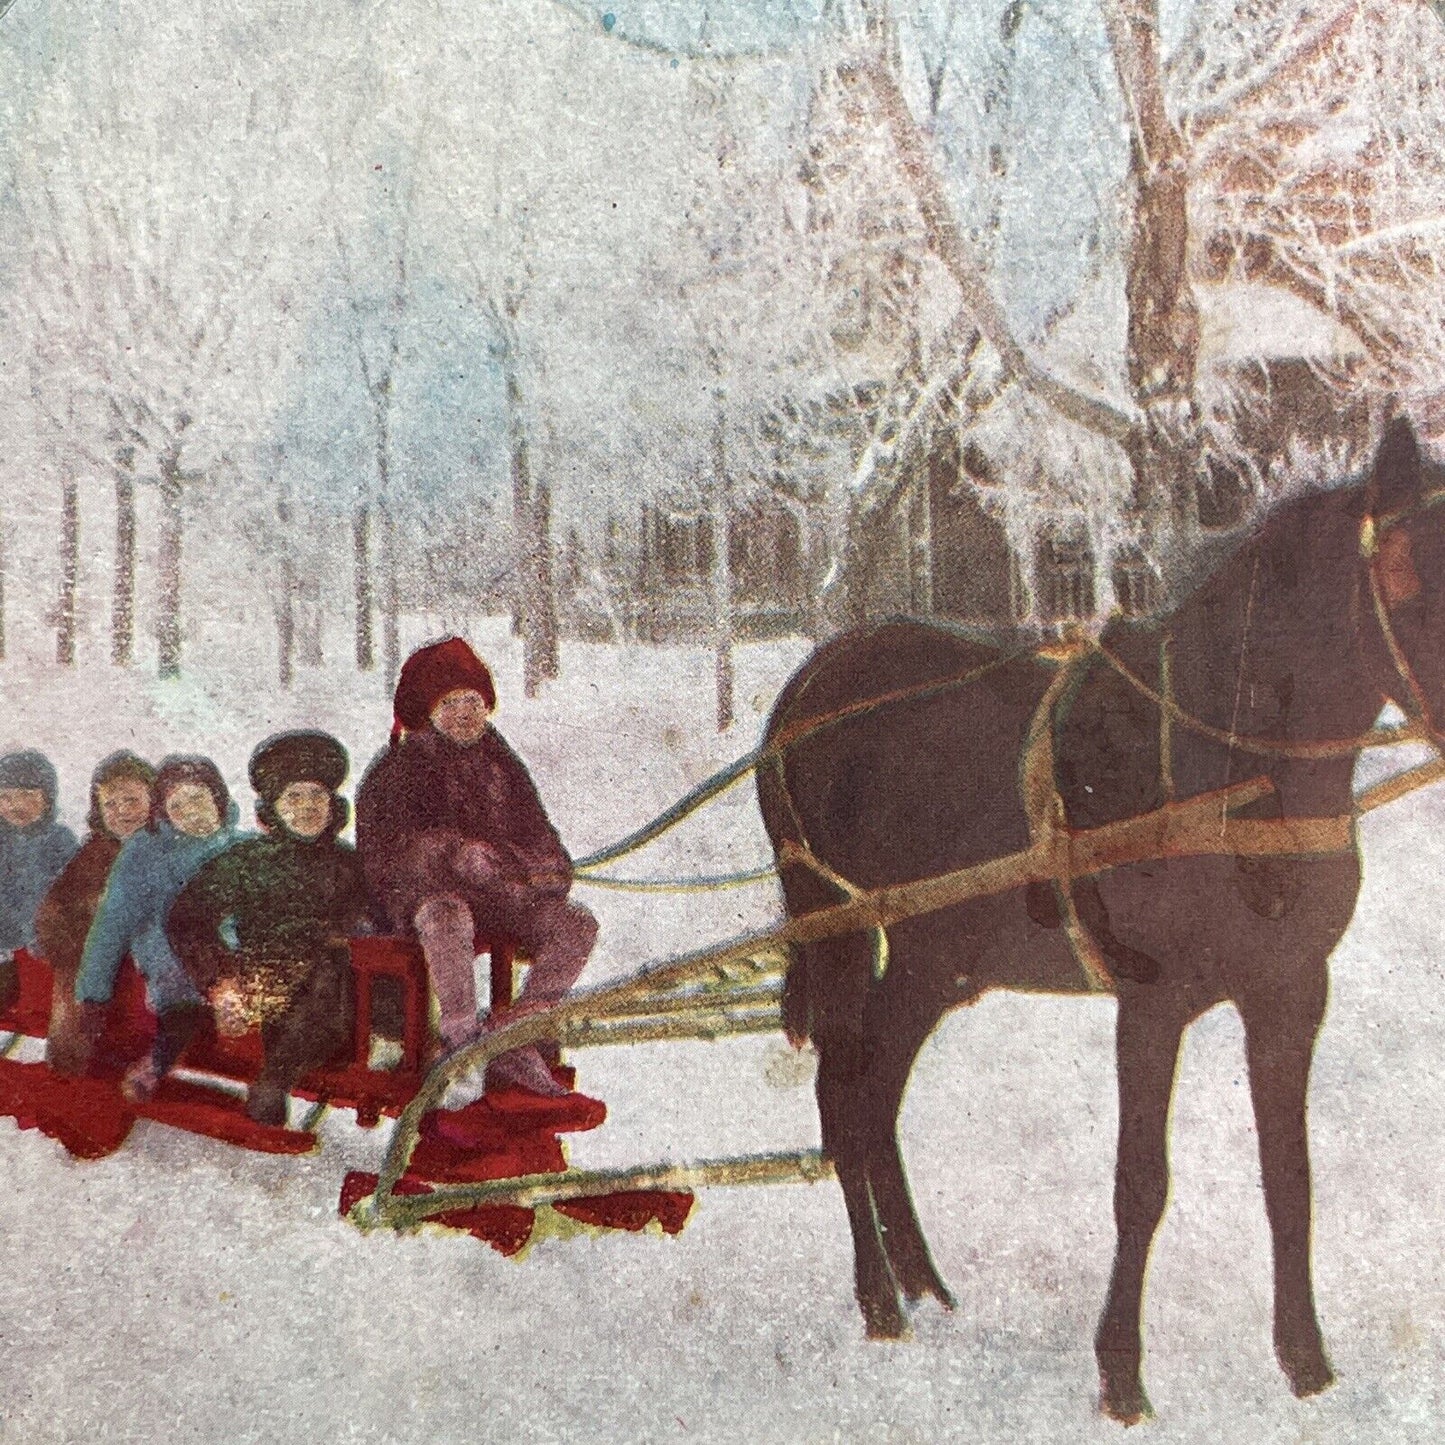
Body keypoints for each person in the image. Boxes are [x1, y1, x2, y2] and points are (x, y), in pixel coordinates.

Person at [356, 636, 596, 1098]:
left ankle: (519, 1032)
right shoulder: (398, 770)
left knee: (576, 923)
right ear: (428, 710)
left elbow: (538, 832)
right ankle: (461, 1037)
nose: (465, 712)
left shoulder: (501, 763)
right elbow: (388, 856)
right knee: (448, 916)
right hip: (423, 903)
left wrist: (545, 867)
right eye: (450, 702)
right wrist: (454, 856)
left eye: (474, 700)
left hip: (500, 896)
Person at [166, 731, 371, 1126]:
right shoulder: (249, 861)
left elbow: (376, 920)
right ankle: (273, 1081)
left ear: (333, 804)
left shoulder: (350, 863)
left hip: (349, 1000)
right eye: (293, 797)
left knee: (344, 962)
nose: (307, 807)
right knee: (324, 970)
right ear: (273, 808)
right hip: (273, 991)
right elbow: (187, 919)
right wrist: (220, 983)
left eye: (316, 796)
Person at [75, 756, 239, 1103]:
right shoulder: (147, 852)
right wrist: (93, 992)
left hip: (234, 959)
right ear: (164, 813)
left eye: (198, 799)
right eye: (177, 806)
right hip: (172, 958)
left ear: (218, 799)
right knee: (184, 1002)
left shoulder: (241, 845)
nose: (191, 812)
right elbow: (113, 921)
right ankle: (155, 1065)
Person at [37, 751, 156, 1074]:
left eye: (131, 801)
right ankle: (75, 1071)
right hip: (89, 966)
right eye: (111, 805)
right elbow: (54, 911)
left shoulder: (169, 849)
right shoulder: (94, 854)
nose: (122, 812)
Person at [0, 750, 79, 1016]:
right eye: (5, 797)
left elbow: (69, 894)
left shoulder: (59, 840)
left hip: (41, 946)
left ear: (47, 800)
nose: (15, 806)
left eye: (27, 796)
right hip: (3, 945)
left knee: (36, 1004)